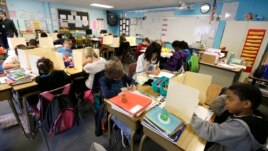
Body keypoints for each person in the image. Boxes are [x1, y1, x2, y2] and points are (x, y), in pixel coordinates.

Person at [191, 83, 268, 151]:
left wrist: (190, 115)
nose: (226, 101)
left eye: (230, 99)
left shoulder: (240, 127)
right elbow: (216, 110)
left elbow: (210, 132)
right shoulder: (243, 114)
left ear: (246, 104)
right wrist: (227, 97)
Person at [99, 58, 136, 147]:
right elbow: (106, 94)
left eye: (121, 76)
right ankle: (126, 133)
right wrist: (120, 89)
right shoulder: (104, 80)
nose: (121, 78)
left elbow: (131, 79)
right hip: (113, 108)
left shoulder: (121, 74)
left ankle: (126, 129)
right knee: (130, 131)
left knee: (134, 117)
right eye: (118, 78)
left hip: (125, 102)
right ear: (111, 76)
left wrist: (132, 84)